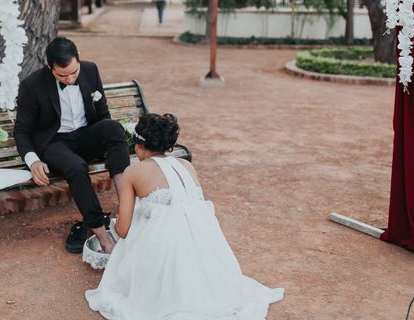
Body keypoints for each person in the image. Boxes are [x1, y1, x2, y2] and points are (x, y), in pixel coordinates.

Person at [86, 113, 284, 319]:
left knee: (138, 227)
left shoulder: (133, 172)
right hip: (204, 248)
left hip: (163, 250)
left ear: (137, 146)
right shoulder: (187, 166)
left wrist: (122, 220)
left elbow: (123, 230)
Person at [14, 37, 129, 254]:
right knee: (76, 167)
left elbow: (102, 113)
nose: (69, 79)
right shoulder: (31, 85)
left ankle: (125, 205)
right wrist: (33, 160)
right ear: (50, 68)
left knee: (113, 128)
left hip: (85, 136)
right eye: (62, 75)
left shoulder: (90, 70)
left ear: (78, 60)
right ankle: (101, 235)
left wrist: (107, 140)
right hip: (54, 143)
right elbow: (21, 131)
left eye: (74, 73)